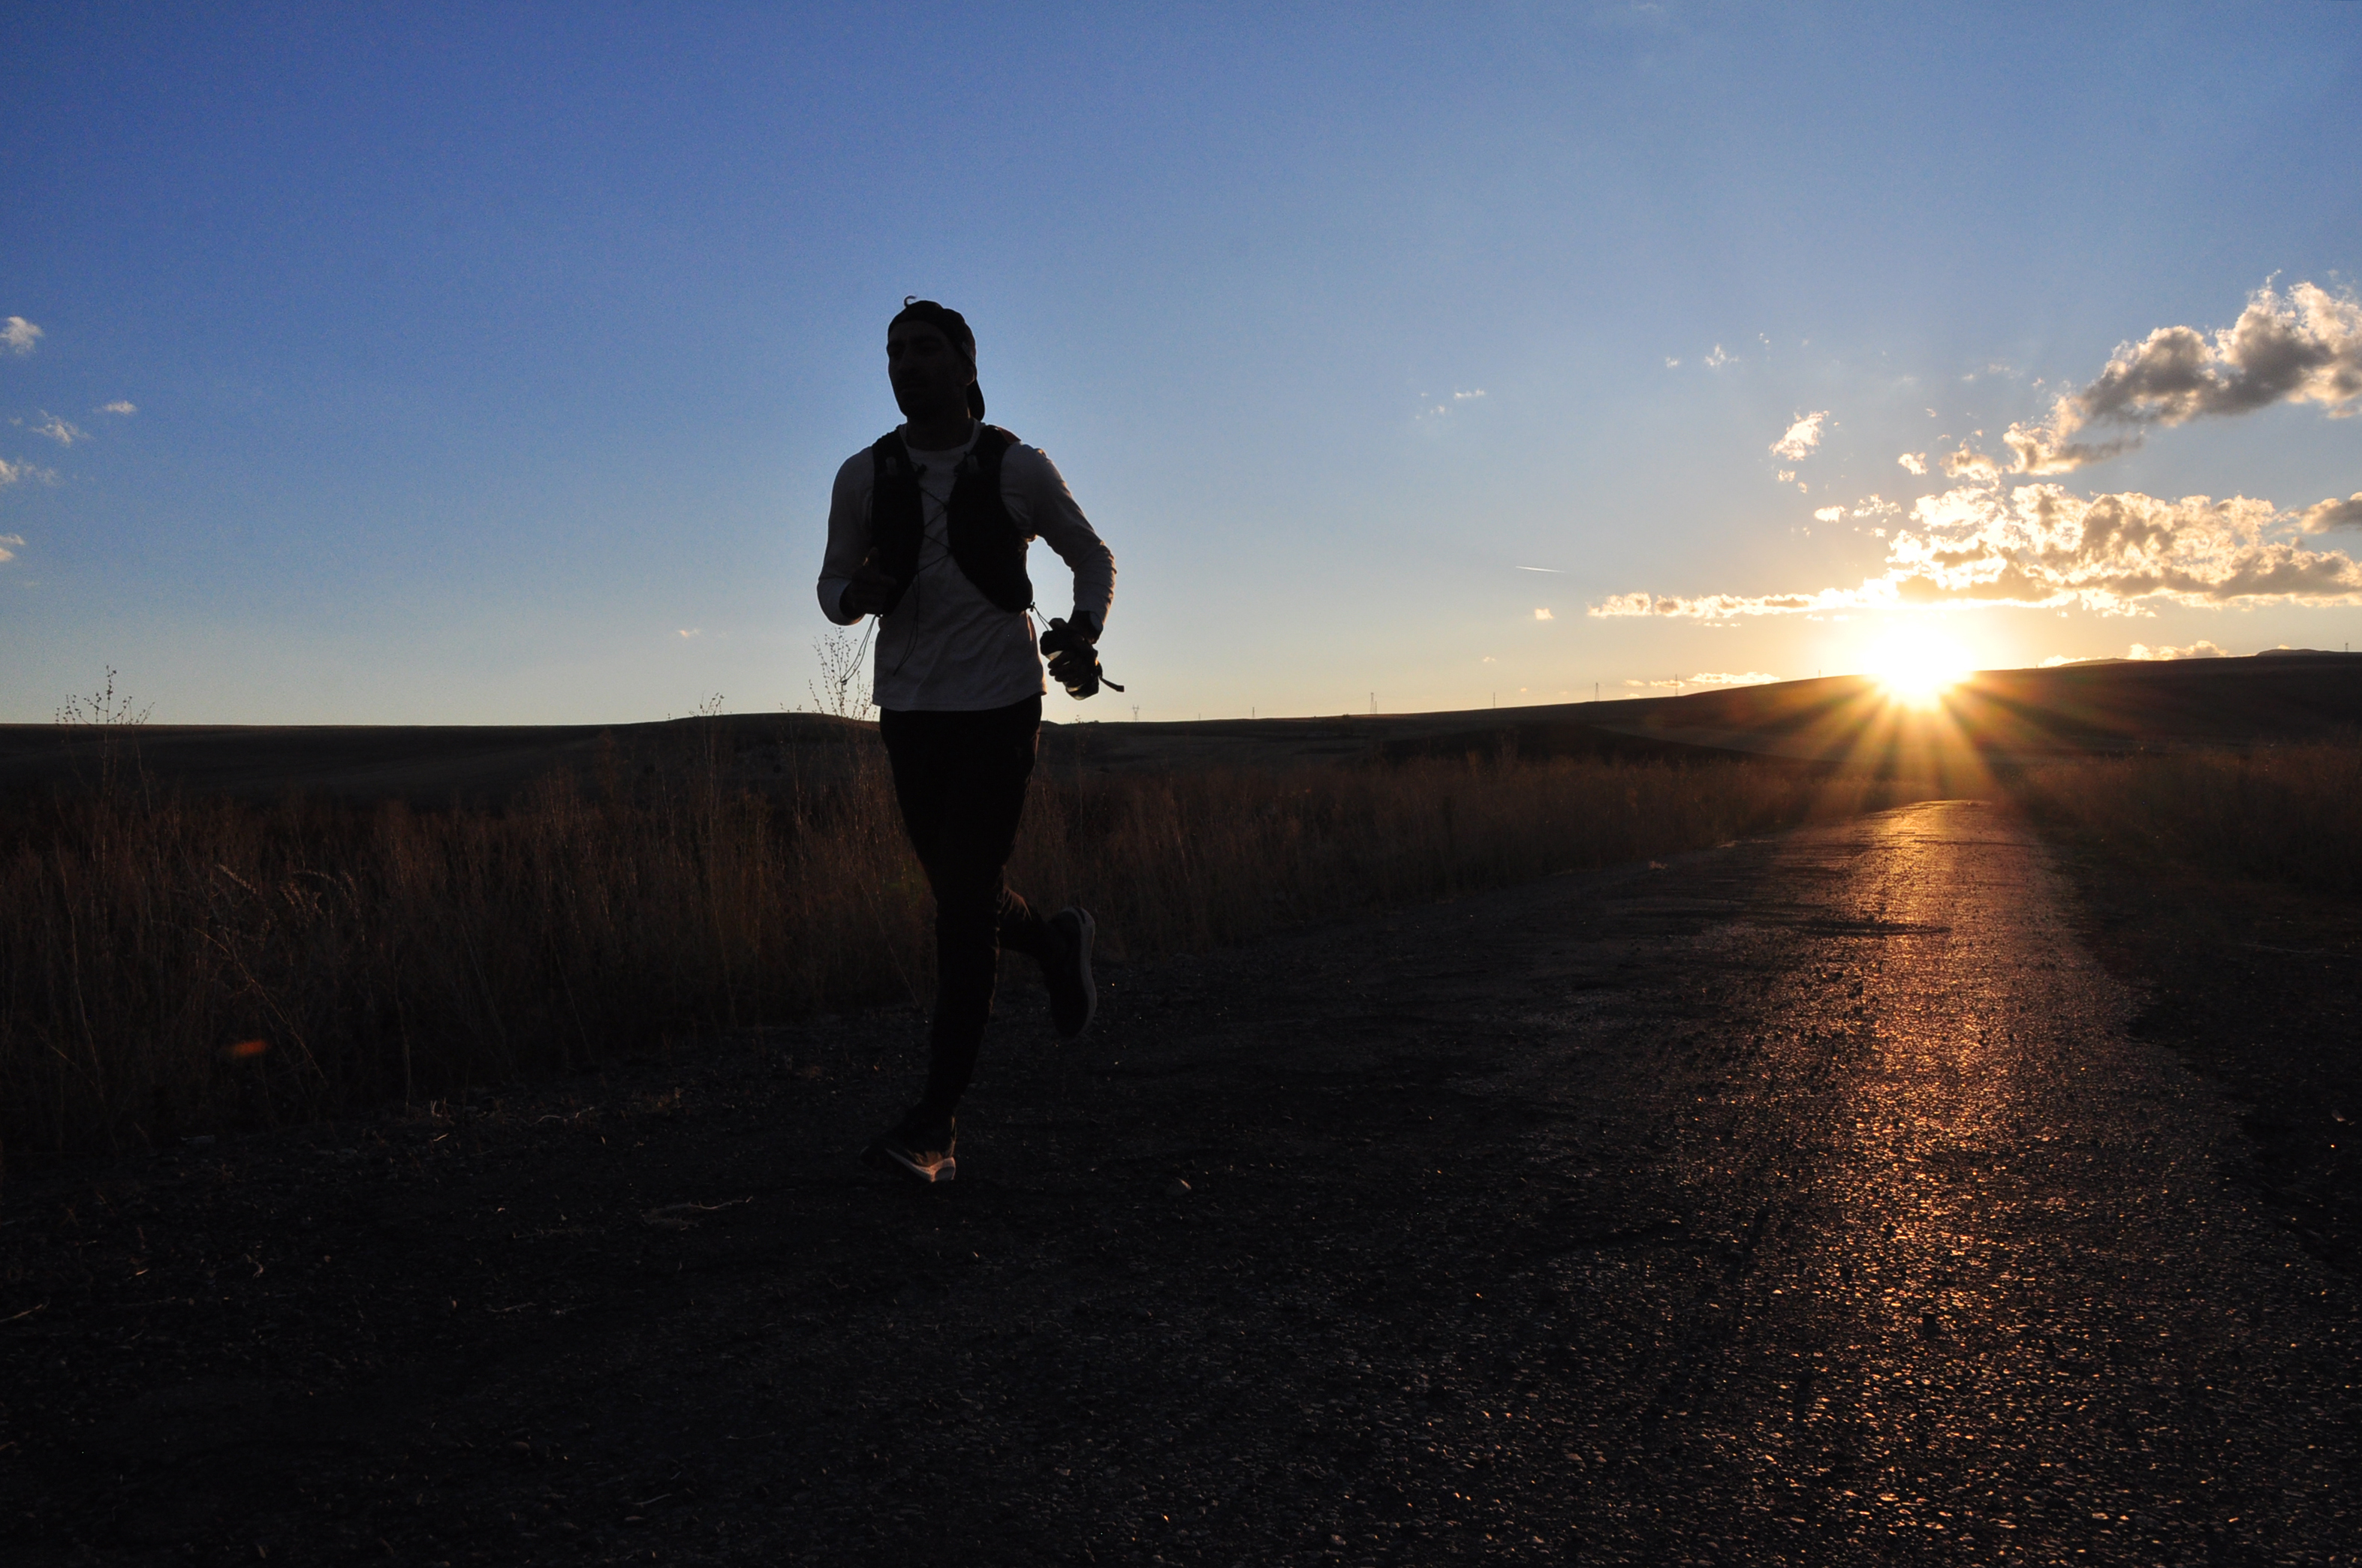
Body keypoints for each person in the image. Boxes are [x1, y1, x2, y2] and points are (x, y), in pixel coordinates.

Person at [816, 298, 1117, 1184]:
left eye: (921, 350)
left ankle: (934, 1126)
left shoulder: (1016, 466)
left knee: (959, 907)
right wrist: (856, 594)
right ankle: (1058, 943)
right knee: (965, 891)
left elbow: (1090, 554)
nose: (903, 364)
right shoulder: (861, 475)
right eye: (891, 352)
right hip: (908, 709)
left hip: (999, 702)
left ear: (964, 362)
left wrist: (1083, 630)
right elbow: (831, 585)